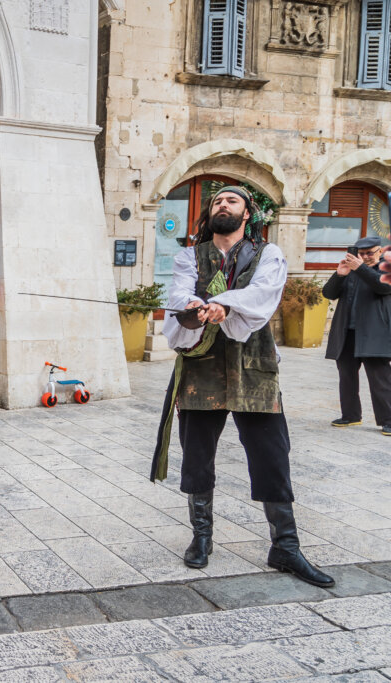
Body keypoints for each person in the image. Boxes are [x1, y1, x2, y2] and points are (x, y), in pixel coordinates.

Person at [151, 185, 334, 588]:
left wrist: (226, 304)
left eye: (232, 200)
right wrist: (196, 311)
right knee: (198, 456)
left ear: (247, 213)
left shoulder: (268, 253)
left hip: (254, 366)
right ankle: (202, 537)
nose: (223, 205)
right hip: (201, 367)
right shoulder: (189, 256)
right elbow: (179, 294)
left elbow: (264, 293)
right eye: (217, 201)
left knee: (272, 454)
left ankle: (284, 547)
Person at [322, 237, 391, 436]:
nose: (366, 257)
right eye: (361, 253)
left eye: (370, 253)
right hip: (346, 333)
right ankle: (351, 415)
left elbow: (383, 287)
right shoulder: (350, 271)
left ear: (380, 252)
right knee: (346, 376)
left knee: (380, 378)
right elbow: (329, 294)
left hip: (374, 333)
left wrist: (360, 267)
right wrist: (339, 275)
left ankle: (388, 420)